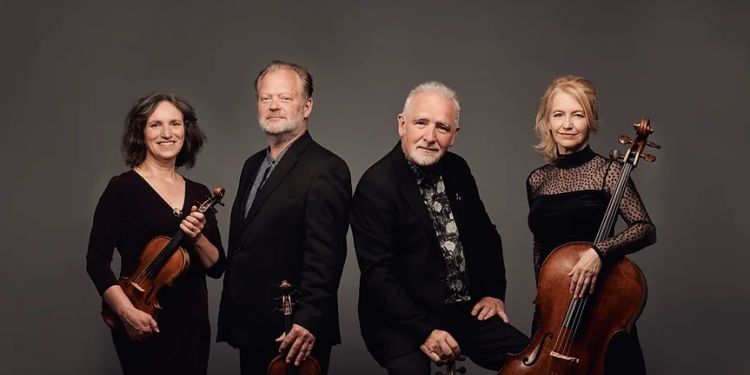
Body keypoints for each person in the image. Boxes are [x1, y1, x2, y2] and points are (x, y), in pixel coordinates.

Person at [351, 81, 529, 374]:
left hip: (461, 310)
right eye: (421, 123)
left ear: (454, 135)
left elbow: (486, 235)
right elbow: (378, 276)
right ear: (402, 124)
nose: (430, 137)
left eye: (442, 127)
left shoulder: (458, 169)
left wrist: (494, 293)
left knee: (536, 364)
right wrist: (423, 331)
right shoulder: (376, 185)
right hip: (400, 321)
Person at [216, 60, 351, 375]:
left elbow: (327, 255)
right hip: (251, 322)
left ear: (307, 107)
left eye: (285, 98)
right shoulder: (252, 165)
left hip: (295, 329)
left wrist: (309, 320)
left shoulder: (327, 168)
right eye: (266, 98)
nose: (273, 106)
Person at [86, 93, 226, 375]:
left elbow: (217, 266)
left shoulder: (199, 192)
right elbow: (96, 261)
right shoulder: (122, 189)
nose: (166, 133)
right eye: (155, 125)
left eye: (175, 123)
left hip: (193, 324)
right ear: (141, 131)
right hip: (140, 316)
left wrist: (198, 238)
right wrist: (127, 314)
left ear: (186, 131)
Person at [526, 75, 657, 374]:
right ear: (546, 121)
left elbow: (644, 228)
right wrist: (544, 299)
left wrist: (599, 252)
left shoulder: (608, 172)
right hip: (553, 313)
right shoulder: (537, 179)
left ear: (591, 120)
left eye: (578, 114)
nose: (567, 124)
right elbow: (540, 244)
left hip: (600, 309)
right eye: (558, 115)